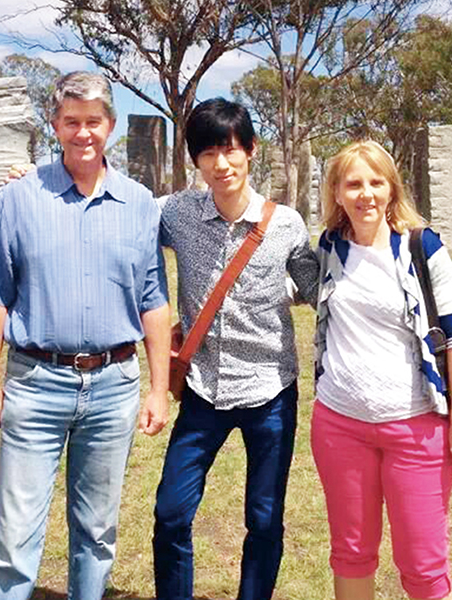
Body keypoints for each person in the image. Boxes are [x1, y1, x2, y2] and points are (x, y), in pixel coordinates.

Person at [0, 71, 171, 600]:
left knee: (98, 534)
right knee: (13, 538)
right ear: (55, 125)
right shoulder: (19, 199)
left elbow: (153, 301)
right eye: (72, 121)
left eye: (94, 121)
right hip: (35, 385)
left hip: (113, 387)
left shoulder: (140, 204)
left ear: (111, 125)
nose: (84, 133)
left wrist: (155, 389)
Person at [152, 98, 318, 600]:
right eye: (207, 153)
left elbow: (316, 287)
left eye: (229, 150)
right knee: (171, 512)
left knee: (264, 519)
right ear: (195, 160)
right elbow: (113, 211)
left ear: (250, 150)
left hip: (271, 390)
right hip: (202, 390)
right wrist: (38, 181)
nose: (220, 164)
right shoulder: (176, 213)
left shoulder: (286, 223)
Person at [311, 140, 452, 600]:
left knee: (424, 563)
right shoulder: (328, 248)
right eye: (353, 184)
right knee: (350, 552)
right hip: (340, 426)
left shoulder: (422, 246)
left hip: (416, 427)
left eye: (375, 182)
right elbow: (283, 287)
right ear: (338, 194)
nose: (366, 194)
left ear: (391, 189)